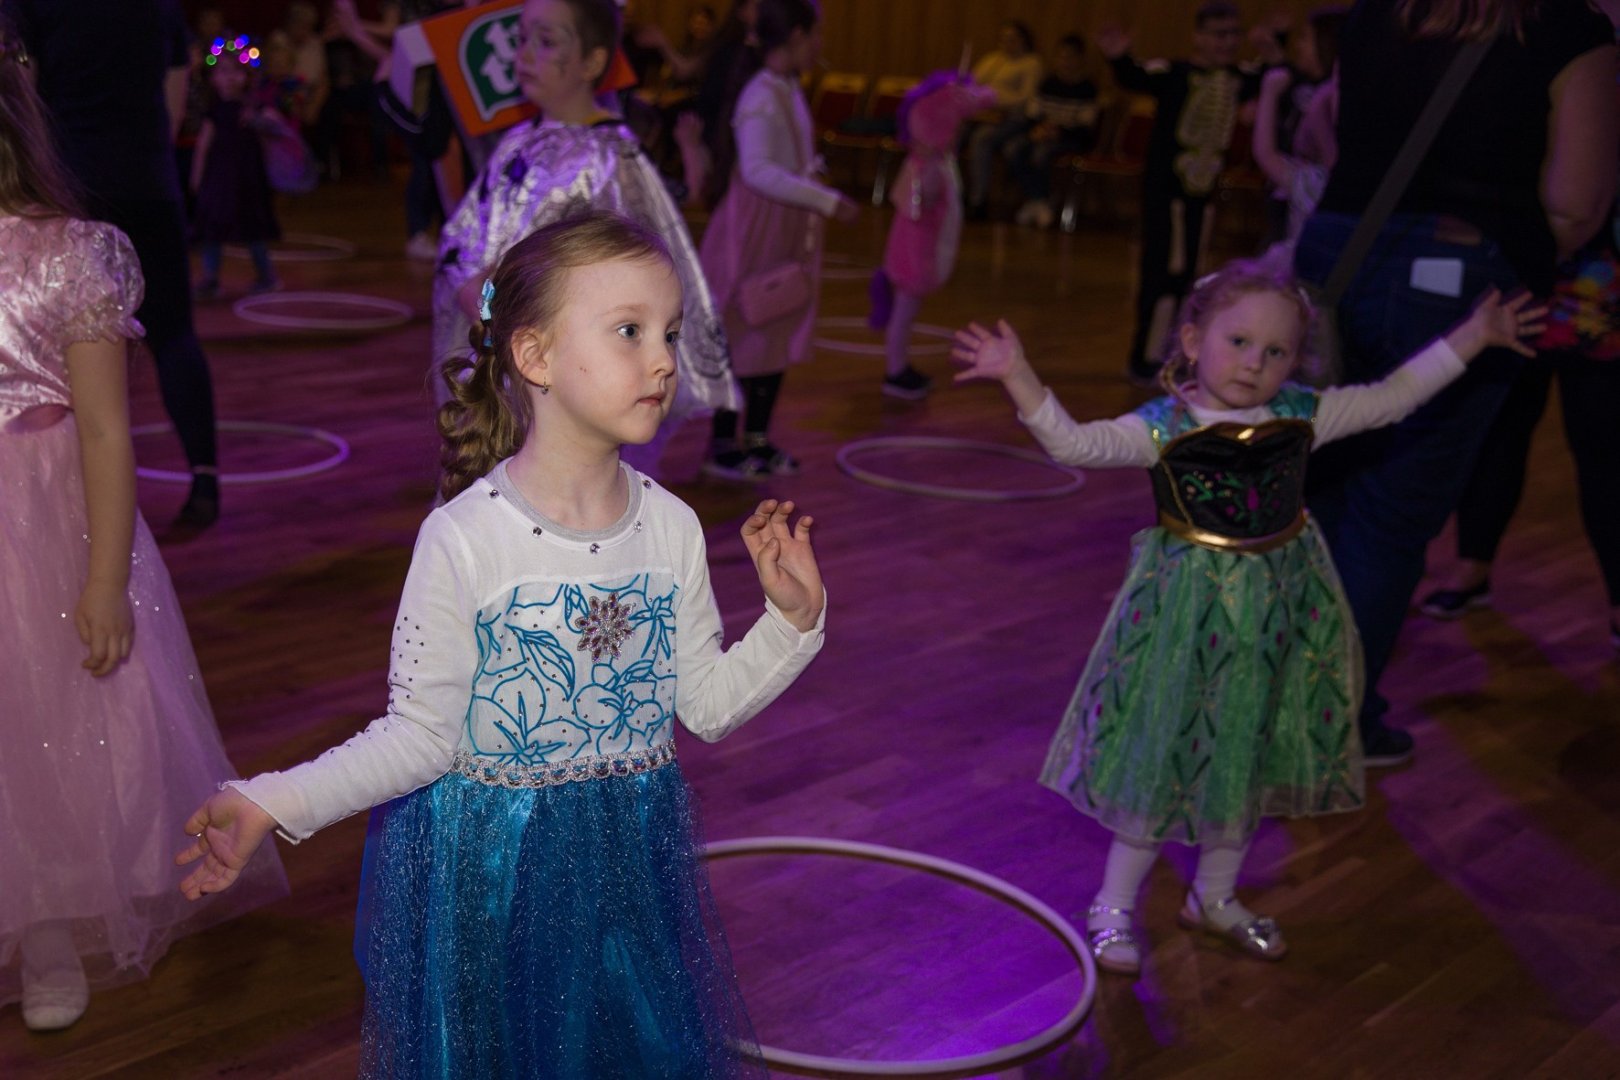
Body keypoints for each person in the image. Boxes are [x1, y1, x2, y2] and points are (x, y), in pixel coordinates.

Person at [176, 211, 826, 1076]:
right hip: (499, 878)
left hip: (629, 867)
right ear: (535, 356)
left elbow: (703, 706)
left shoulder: (671, 528)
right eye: (629, 331)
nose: (664, 359)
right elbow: (417, 739)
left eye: (670, 333)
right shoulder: (465, 541)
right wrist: (270, 800)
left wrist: (790, 621)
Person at [951, 256, 1544, 977]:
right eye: (1238, 342)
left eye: (1276, 351)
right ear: (1192, 341)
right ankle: (1112, 906)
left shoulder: (1299, 415)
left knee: (1248, 751)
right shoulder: (1165, 427)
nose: (1254, 363)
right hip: (1183, 620)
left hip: (1275, 614)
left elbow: (1393, 398)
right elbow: (1076, 444)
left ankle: (1215, 896)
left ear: (1295, 361)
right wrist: (1018, 374)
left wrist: (1475, 334)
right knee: (1167, 754)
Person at [0, 22, 286, 1030]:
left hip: (38, 528)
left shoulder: (67, 257)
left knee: (43, 732)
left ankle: (46, 928)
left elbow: (106, 432)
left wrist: (103, 578)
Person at [1292, 0, 1616, 765]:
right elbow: (1576, 203)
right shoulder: (1567, 27)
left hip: (1334, 254)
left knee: (1322, 491)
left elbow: (1322, 134)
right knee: (1391, 512)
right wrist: (1513, 250)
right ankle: (1332, 726)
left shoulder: (1378, 12)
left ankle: (1278, 701)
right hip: (1459, 275)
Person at [431, 0, 738, 478]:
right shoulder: (519, 140)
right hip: (506, 354)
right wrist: (477, 295)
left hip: (553, 378)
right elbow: (467, 240)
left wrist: (497, 304)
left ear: (593, 62)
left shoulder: (608, 160)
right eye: (522, 39)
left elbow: (621, 286)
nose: (524, 54)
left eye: (546, 41)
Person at [15, 0, 226, 530]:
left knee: (65, 356)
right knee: (174, 335)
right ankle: (204, 479)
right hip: (148, 183)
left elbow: (22, 104)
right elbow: (173, 108)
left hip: (69, 188)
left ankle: (68, 500)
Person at [698, 0, 860, 480]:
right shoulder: (762, 94)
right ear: (795, 37)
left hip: (781, 227)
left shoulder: (785, 87)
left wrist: (811, 178)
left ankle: (757, 437)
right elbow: (757, 170)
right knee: (744, 326)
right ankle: (722, 445)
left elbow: (786, 159)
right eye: (816, 34)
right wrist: (826, 200)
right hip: (756, 229)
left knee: (774, 324)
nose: (820, 44)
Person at [1098, 3, 1261, 384]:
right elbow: (1136, 77)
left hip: (1201, 198)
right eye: (1219, 34)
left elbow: (1272, 75)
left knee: (1190, 277)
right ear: (1198, 36)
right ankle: (1146, 357)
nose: (1227, 43)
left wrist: (1277, 42)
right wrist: (1118, 57)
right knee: (1162, 275)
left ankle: (1175, 354)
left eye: (1233, 35)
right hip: (1166, 195)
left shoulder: (1238, 78)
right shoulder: (1174, 73)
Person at [191, 35, 282, 300]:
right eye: (223, 71)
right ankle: (210, 279)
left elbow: (274, 131)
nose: (229, 77)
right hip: (220, 179)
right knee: (213, 228)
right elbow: (203, 145)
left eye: (236, 72)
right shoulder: (215, 110)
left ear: (246, 76)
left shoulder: (252, 107)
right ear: (214, 78)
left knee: (253, 229)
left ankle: (267, 276)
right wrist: (197, 176)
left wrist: (260, 119)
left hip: (247, 180)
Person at [1008, 33, 1100, 231]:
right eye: (1061, 56)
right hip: (1043, 134)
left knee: (1041, 153)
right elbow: (1032, 114)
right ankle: (1038, 200)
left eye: (1070, 57)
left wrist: (1059, 133)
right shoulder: (1047, 84)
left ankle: (1041, 202)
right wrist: (1038, 129)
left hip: (1071, 139)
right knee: (1014, 148)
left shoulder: (1087, 89)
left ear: (1080, 59)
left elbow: (1086, 128)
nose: (1065, 62)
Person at [963, 19, 1043, 221]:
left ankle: (978, 199)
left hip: (1013, 119)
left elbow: (1027, 97)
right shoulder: (992, 60)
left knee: (981, 138)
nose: (1007, 43)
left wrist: (995, 100)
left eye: (1013, 39)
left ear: (1024, 40)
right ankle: (951, 193)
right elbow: (971, 85)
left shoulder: (1031, 64)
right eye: (1004, 39)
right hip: (982, 115)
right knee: (953, 131)